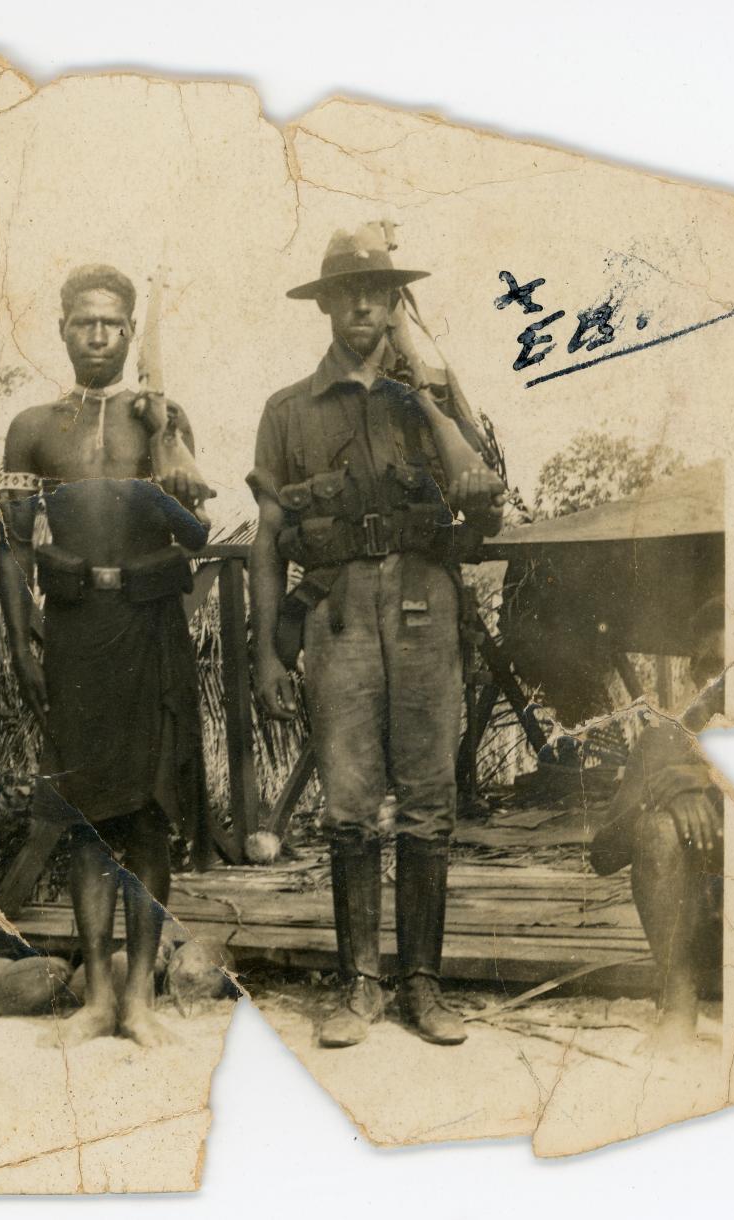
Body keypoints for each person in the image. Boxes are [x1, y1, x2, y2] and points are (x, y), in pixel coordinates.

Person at [248, 228, 505, 1048]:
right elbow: (266, 538)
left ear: (396, 304)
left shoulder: (429, 399)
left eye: (379, 290)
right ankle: (361, 983)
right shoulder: (287, 412)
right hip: (337, 613)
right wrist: (263, 652)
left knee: (430, 799)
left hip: (426, 603)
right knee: (351, 805)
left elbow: (488, 497)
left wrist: (429, 395)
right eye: (347, 289)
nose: (362, 302)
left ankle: (423, 984)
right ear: (324, 303)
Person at [0, 265, 213, 1048]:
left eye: (113, 324)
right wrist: (24, 638)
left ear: (129, 333)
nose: (98, 335)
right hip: (77, 632)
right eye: (84, 322)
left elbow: (194, 521)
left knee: (150, 816)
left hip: (151, 628)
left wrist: (172, 442)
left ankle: (140, 1001)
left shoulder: (163, 415)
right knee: (87, 818)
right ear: (61, 328)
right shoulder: (33, 426)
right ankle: (95, 997)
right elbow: (13, 547)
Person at [590, 600, 725, 1056]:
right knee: (656, 830)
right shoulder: (666, 739)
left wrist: (712, 779)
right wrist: (660, 790)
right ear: (693, 674)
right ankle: (679, 1004)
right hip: (703, 933)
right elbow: (603, 855)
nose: (722, 683)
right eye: (711, 668)